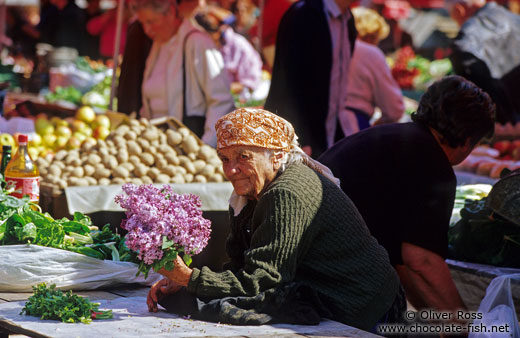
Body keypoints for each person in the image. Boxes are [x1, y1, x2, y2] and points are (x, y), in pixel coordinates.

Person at [147, 108, 404, 333]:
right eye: (225, 158)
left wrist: (191, 279)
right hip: (335, 299)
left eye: (243, 156)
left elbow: (263, 278)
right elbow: (243, 265)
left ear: (277, 155)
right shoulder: (250, 194)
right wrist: (185, 283)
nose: (230, 170)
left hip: (366, 308)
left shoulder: (285, 193)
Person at [318, 76, 496, 315]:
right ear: (466, 141)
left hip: (313, 257)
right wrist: (464, 325)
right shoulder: (433, 165)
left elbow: (404, 263)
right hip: (329, 273)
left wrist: (442, 320)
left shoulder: (395, 139)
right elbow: (422, 262)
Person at [131, 0, 235, 147]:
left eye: (152, 21)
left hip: (189, 145)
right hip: (158, 144)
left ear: (172, 12)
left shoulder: (197, 41)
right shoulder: (158, 44)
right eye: (143, 23)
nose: (147, 30)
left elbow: (221, 101)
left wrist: (206, 145)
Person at [264, 0, 357, 158]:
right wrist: (300, 136)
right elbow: (288, 82)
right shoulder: (303, 14)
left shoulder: (348, 21)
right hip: (301, 139)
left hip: (331, 134)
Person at [447, 0, 520, 124]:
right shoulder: (515, 18)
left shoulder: (466, 39)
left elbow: (464, 56)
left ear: (459, 10)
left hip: (502, 126)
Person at [340, 7, 404, 136]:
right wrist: (374, 127)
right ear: (371, 36)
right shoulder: (370, 53)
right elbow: (394, 109)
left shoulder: (336, 46)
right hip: (352, 126)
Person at [195, 6, 263, 96]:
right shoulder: (199, 46)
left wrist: (220, 89)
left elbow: (250, 83)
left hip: (237, 101)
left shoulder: (239, 45)